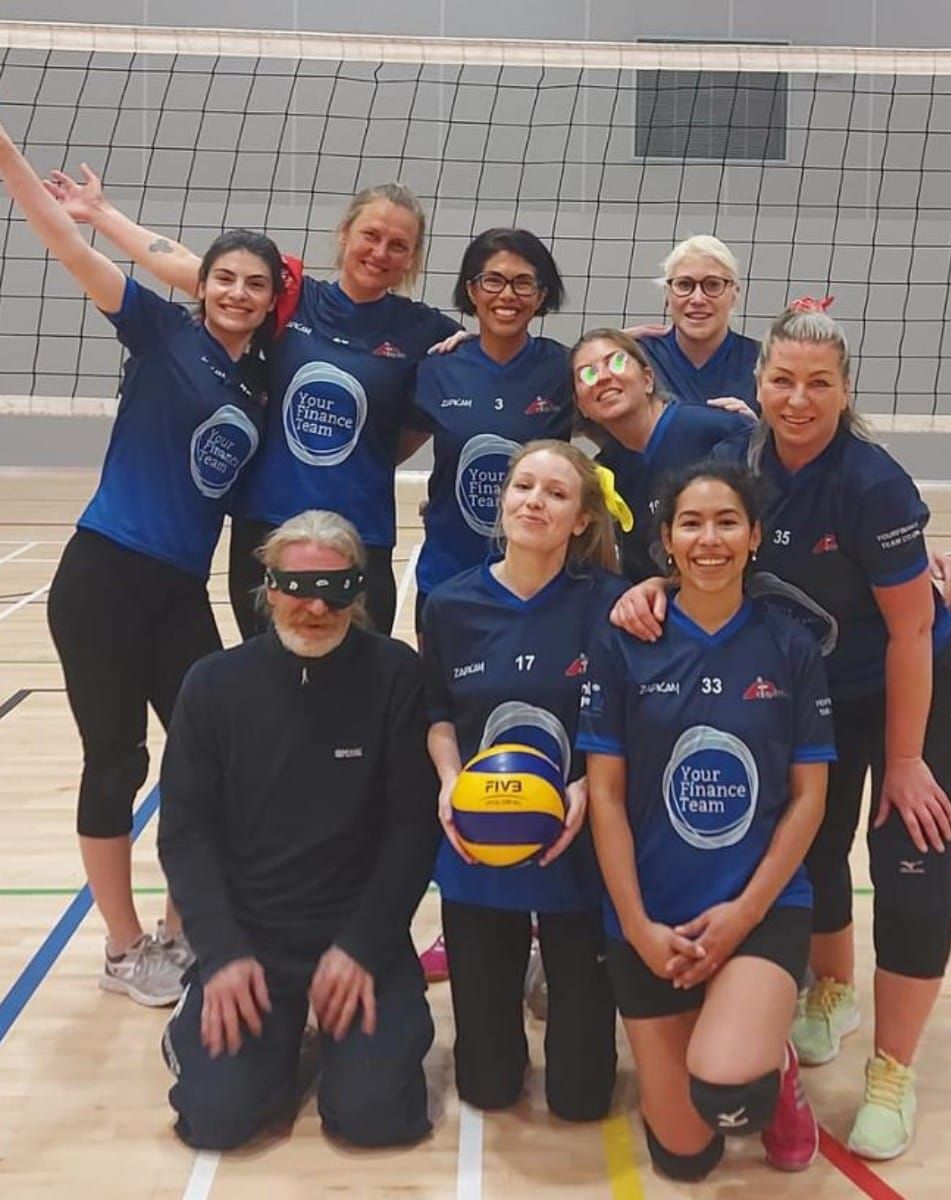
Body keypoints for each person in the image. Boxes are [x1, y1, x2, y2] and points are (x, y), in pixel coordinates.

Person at [614, 300, 951, 1161]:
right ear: (758, 382)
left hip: (911, 682)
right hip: (812, 686)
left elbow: (909, 630)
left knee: (910, 859)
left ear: (845, 390)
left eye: (818, 383)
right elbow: (708, 550)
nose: (798, 399)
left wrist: (903, 759)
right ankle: (832, 990)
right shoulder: (738, 462)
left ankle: (892, 1069)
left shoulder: (870, 483)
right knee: (812, 846)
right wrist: (655, 588)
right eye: (782, 380)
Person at [0, 82, 284, 1005]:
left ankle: (184, 926)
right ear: (202, 286)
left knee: (211, 754)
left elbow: (170, 252)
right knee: (117, 760)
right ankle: (124, 947)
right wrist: (6, 157)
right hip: (102, 576)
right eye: (224, 278)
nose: (237, 292)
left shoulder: (266, 380)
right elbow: (68, 245)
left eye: (255, 284)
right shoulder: (160, 331)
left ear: (269, 300)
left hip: (178, 591)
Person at [44, 168, 460, 635]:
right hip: (267, 532)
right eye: (371, 235)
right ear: (345, 233)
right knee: (269, 673)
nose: (380, 252)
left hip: (362, 535)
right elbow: (185, 266)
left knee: (359, 676)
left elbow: (456, 397)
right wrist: (100, 213)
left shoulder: (425, 332)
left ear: (412, 258)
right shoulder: (290, 297)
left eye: (398, 245)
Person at [578, 461, 833, 1181]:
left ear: (754, 536)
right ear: (666, 540)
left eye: (727, 522)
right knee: (685, 1157)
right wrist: (636, 926)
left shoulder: (789, 647)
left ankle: (770, 1057)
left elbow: (809, 799)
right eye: (691, 523)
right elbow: (605, 796)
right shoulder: (623, 641)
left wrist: (742, 915)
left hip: (759, 907)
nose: (709, 539)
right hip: (652, 912)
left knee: (727, 1091)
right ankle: (716, 1020)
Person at [157, 510, 440, 1150]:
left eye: (335, 590)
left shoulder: (395, 676)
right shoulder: (213, 685)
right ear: (269, 587)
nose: (316, 607)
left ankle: (337, 1041)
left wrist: (362, 946)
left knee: (375, 1116)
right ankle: (214, 1031)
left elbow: (411, 829)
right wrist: (222, 954)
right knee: (218, 1120)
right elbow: (185, 834)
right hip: (252, 936)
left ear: (359, 592)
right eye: (298, 588)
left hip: (357, 931)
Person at [420, 441, 627, 1121]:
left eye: (556, 493)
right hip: (481, 844)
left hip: (577, 841)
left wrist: (584, 787)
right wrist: (450, 781)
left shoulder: (613, 606)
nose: (535, 501)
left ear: (581, 519)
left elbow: (628, 719)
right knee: (486, 1086)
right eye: (523, 486)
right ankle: (521, 970)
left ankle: (555, 970)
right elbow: (438, 713)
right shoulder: (450, 604)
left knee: (581, 1099)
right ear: (503, 499)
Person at [406, 228, 573, 984]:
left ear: (544, 295)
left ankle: (544, 925)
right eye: (492, 280)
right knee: (457, 743)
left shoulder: (563, 369)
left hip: (539, 588)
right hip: (453, 585)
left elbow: (633, 408)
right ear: (470, 290)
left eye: (524, 282)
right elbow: (385, 446)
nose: (507, 294)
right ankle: (464, 913)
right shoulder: (436, 369)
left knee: (542, 737)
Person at [571, 329, 750, 581]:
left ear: (647, 379)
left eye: (616, 362)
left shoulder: (718, 431)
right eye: (587, 374)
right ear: (581, 406)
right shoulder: (603, 474)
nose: (602, 377)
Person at [636, 234, 761, 413]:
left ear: (734, 294)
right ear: (667, 294)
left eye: (713, 285)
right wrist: (606, 345)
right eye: (684, 285)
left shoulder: (763, 362)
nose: (698, 299)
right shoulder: (638, 357)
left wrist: (756, 429)